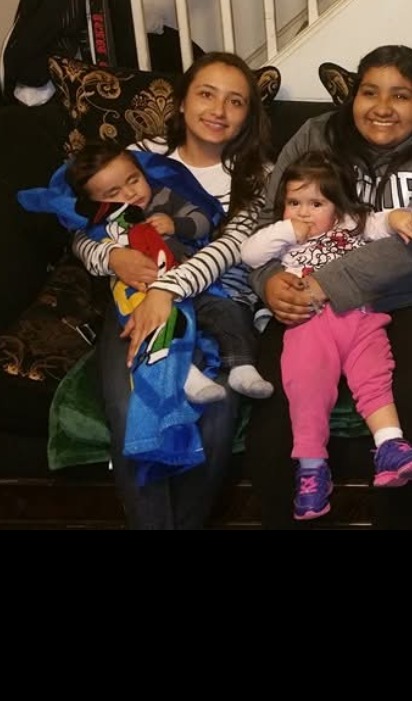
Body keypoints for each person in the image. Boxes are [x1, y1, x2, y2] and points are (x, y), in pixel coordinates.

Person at [245, 46, 412, 528]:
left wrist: (328, 284)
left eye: (401, 96)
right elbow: (270, 221)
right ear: (353, 97)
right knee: (276, 409)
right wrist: (270, 283)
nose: (382, 107)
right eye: (370, 92)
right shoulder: (316, 135)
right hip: (307, 298)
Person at [70, 54, 272, 529]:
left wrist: (167, 288)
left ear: (248, 114)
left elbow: (228, 247)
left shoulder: (258, 174)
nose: (218, 110)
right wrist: (112, 258)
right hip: (135, 301)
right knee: (132, 407)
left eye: (235, 101)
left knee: (216, 409)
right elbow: (79, 226)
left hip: (219, 302)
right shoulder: (141, 155)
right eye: (206, 94)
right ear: (181, 101)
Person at [240, 149, 412, 518]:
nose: (303, 212)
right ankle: (312, 468)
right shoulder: (282, 237)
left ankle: (390, 446)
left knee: (375, 376)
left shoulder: (351, 223)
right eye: (294, 203)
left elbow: (381, 223)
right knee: (307, 387)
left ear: (337, 206)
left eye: (316, 203)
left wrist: (398, 217)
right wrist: (287, 230)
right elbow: (250, 254)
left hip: (359, 317)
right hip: (309, 322)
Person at [69, 142, 269, 406]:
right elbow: (81, 242)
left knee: (227, 311)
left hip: (192, 281)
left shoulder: (165, 196)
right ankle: (185, 375)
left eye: (134, 180)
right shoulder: (104, 223)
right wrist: (113, 256)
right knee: (156, 330)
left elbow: (202, 221)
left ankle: (242, 367)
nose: (130, 193)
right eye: (114, 193)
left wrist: (177, 224)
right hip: (141, 294)